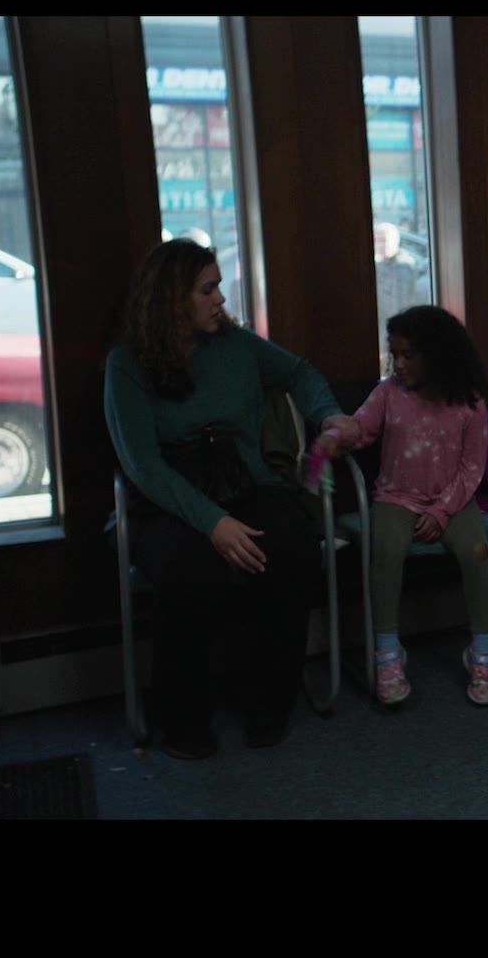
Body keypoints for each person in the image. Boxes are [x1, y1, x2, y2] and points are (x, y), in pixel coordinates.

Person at [105, 238, 355, 759]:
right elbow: (143, 465)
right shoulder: (127, 365)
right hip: (169, 499)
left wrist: (328, 415)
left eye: (218, 287)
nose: (220, 299)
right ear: (171, 299)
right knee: (190, 568)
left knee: (292, 547)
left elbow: (300, 373)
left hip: (246, 482)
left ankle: (269, 704)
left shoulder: (236, 345)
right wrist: (213, 523)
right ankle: (184, 721)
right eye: (207, 290)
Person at [315, 305, 488, 705]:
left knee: (477, 552)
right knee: (385, 551)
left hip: (453, 499)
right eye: (394, 354)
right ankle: (387, 652)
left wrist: (441, 511)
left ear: (437, 355)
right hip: (396, 497)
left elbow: (472, 468)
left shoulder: (468, 401)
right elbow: (359, 428)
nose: (398, 364)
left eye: (408, 355)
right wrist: (333, 435)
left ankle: (483, 650)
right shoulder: (388, 394)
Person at [374, 222, 420, 319]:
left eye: (384, 240)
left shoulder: (404, 266)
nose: (380, 245)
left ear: (395, 241)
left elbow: (400, 302)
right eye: (377, 241)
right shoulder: (378, 265)